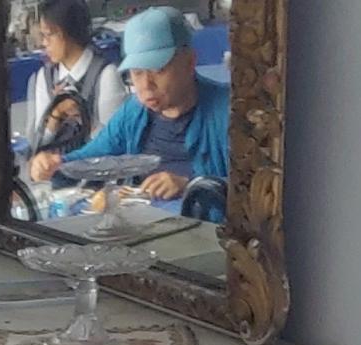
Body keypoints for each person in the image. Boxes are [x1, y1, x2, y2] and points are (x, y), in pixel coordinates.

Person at [27, 5, 229, 200]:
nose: (146, 85)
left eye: (158, 70)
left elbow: (248, 190)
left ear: (190, 62)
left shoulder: (228, 112)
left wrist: (191, 186)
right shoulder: (134, 113)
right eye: (137, 73)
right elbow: (93, 157)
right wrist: (54, 165)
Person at [22, 0, 123, 153]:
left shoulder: (105, 75)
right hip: (54, 166)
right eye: (42, 35)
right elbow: (37, 143)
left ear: (69, 33)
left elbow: (114, 143)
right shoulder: (46, 76)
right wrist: (56, 113)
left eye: (49, 35)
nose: (44, 43)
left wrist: (83, 117)